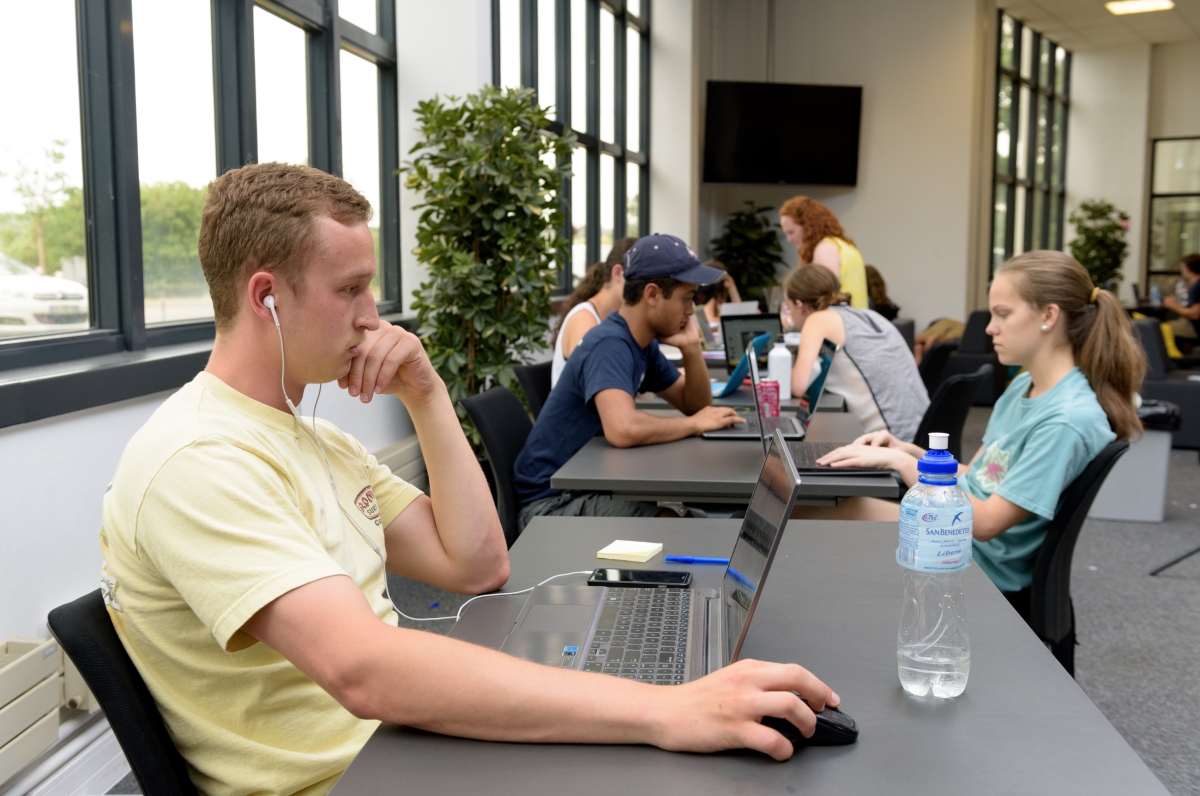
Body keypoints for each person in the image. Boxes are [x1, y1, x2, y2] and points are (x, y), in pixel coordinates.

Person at [99, 167, 839, 796]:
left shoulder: (312, 438)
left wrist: (424, 392)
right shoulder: (197, 458)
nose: (372, 318)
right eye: (351, 290)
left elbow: (478, 564)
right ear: (267, 298)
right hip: (353, 777)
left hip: (405, 747)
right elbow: (363, 670)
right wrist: (662, 708)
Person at [812, 251, 1145, 606]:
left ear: (1049, 315)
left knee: (818, 515)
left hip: (971, 557)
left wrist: (903, 464)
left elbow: (986, 523)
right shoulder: (1025, 385)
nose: (990, 328)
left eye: (1003, 314)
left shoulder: (1066, 420)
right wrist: (906, 450)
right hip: (954, 529)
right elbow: (978, 476)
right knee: (820, 506)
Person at [514, 234, 748, 529]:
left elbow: (696, 405)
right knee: (682, 527)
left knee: (692, 524)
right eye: (687, 299)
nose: (691, 311)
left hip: (589, 486)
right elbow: (622, 429)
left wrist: (691, 348)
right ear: (652, 295)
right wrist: (695, 424)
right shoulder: (609, 344)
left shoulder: (640, 343)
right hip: (550, 504)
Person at [781, 265, 928, 443]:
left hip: (895, 444)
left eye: (788, 307)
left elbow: (798, 386)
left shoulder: (819, 319)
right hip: (922, 433)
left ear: (799, 305)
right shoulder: (866, 315)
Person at [551, 238, 638, 386]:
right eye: (640, 280)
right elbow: (598, 382)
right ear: (618, 273)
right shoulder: (584, 320)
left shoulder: (614, 319)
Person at [778, 196, 868, 309]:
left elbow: (825, 298)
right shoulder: (843, 246)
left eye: (791, 232)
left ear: (808, 225)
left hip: (839, 322)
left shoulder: (825, 249)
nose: (789, 239)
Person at [1162, 253, 1200, 342]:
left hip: (1194, 328)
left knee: (1160, 329)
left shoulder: (1197, 286)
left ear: (1187, 268)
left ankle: (1170, 355)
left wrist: (1174, 306)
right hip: (1190, 325)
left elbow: (1195, 314)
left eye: (1182, 267)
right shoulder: (1194, 285)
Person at [696, 260, 744, 328]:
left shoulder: (716, 297)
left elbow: (740, 312)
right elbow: (710, 321)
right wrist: (733, 321)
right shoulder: (709, 296)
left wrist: (731, 287)